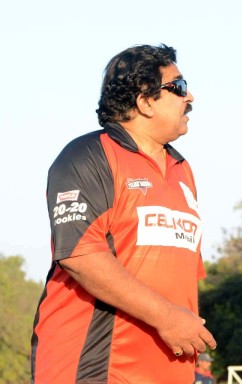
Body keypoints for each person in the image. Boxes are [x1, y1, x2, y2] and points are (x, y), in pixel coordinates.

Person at [30, 44, 217, 383]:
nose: (190, 97)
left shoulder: (182, 170)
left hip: (167, 370)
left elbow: (183, 278)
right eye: (178, 86)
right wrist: (168, 318)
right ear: (145, 102)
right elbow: (82, 256)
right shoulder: (88, 155)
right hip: (97, 367)